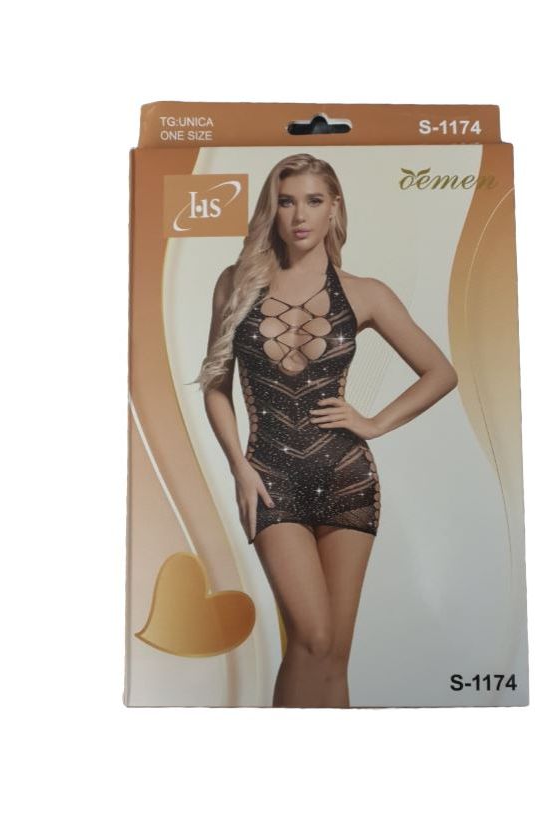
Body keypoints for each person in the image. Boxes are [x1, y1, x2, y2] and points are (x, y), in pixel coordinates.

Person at [195, 153, 457, 707]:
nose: (299, 216)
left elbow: (441, 372)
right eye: (286, 201)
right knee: (311, 637)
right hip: (270, 478)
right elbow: (216, 386)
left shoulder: (365, 292)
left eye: (313, 201)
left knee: (334, 653)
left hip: (347, 477)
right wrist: (239, 468)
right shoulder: (236, 284)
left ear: (334, 207)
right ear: (272, 209)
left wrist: (373, 423)